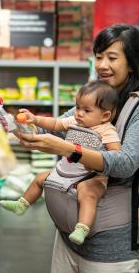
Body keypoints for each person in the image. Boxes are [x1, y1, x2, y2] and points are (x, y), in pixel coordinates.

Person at [15, 24, 139, 272]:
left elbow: (125, 164)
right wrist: (26, 128)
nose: (102, 65)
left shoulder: (136, 108)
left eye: (112, 58)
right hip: (66, 239)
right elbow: (59, 127)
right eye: (99, 56)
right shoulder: (96, 96)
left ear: (133, 63)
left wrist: (67, 149)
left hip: (109, 249)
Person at [0, 80, 120, 246]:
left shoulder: (106, 130)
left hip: (92, 176)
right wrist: (35, 119)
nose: (79, 113)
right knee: (40, 178)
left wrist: (97, 159)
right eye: (77, 107)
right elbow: (55, 124)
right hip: (68, 170)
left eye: (86, 110)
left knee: (87, 193)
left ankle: (82, 227)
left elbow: (115, 154)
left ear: (105, 115)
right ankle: (22, 204)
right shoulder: (74, 121)